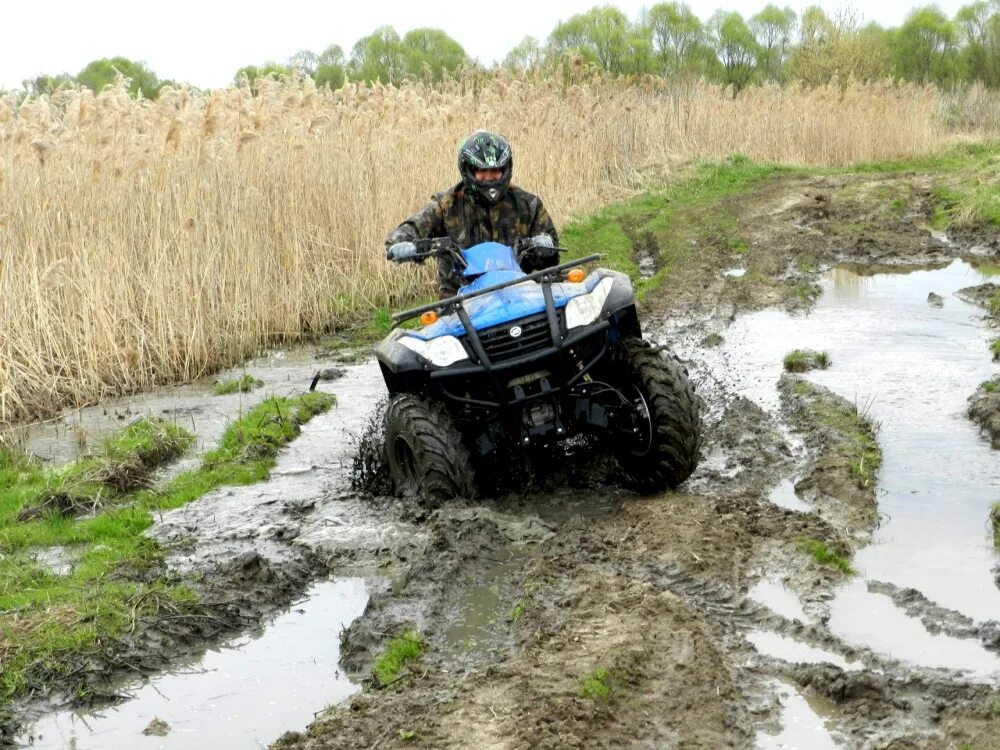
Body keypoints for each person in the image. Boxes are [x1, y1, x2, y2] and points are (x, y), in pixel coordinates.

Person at [385, 130, 559, 297]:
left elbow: (552, 249)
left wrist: (543, 245)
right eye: (482, 171)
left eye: (495, 171)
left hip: (518, 290)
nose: (489, 177)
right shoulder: (446, 204)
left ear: (506, 169)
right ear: (468, 170)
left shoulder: (528, 203)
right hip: (459, 300)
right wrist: (405, 244)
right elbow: (411, 228)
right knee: (438, 326)